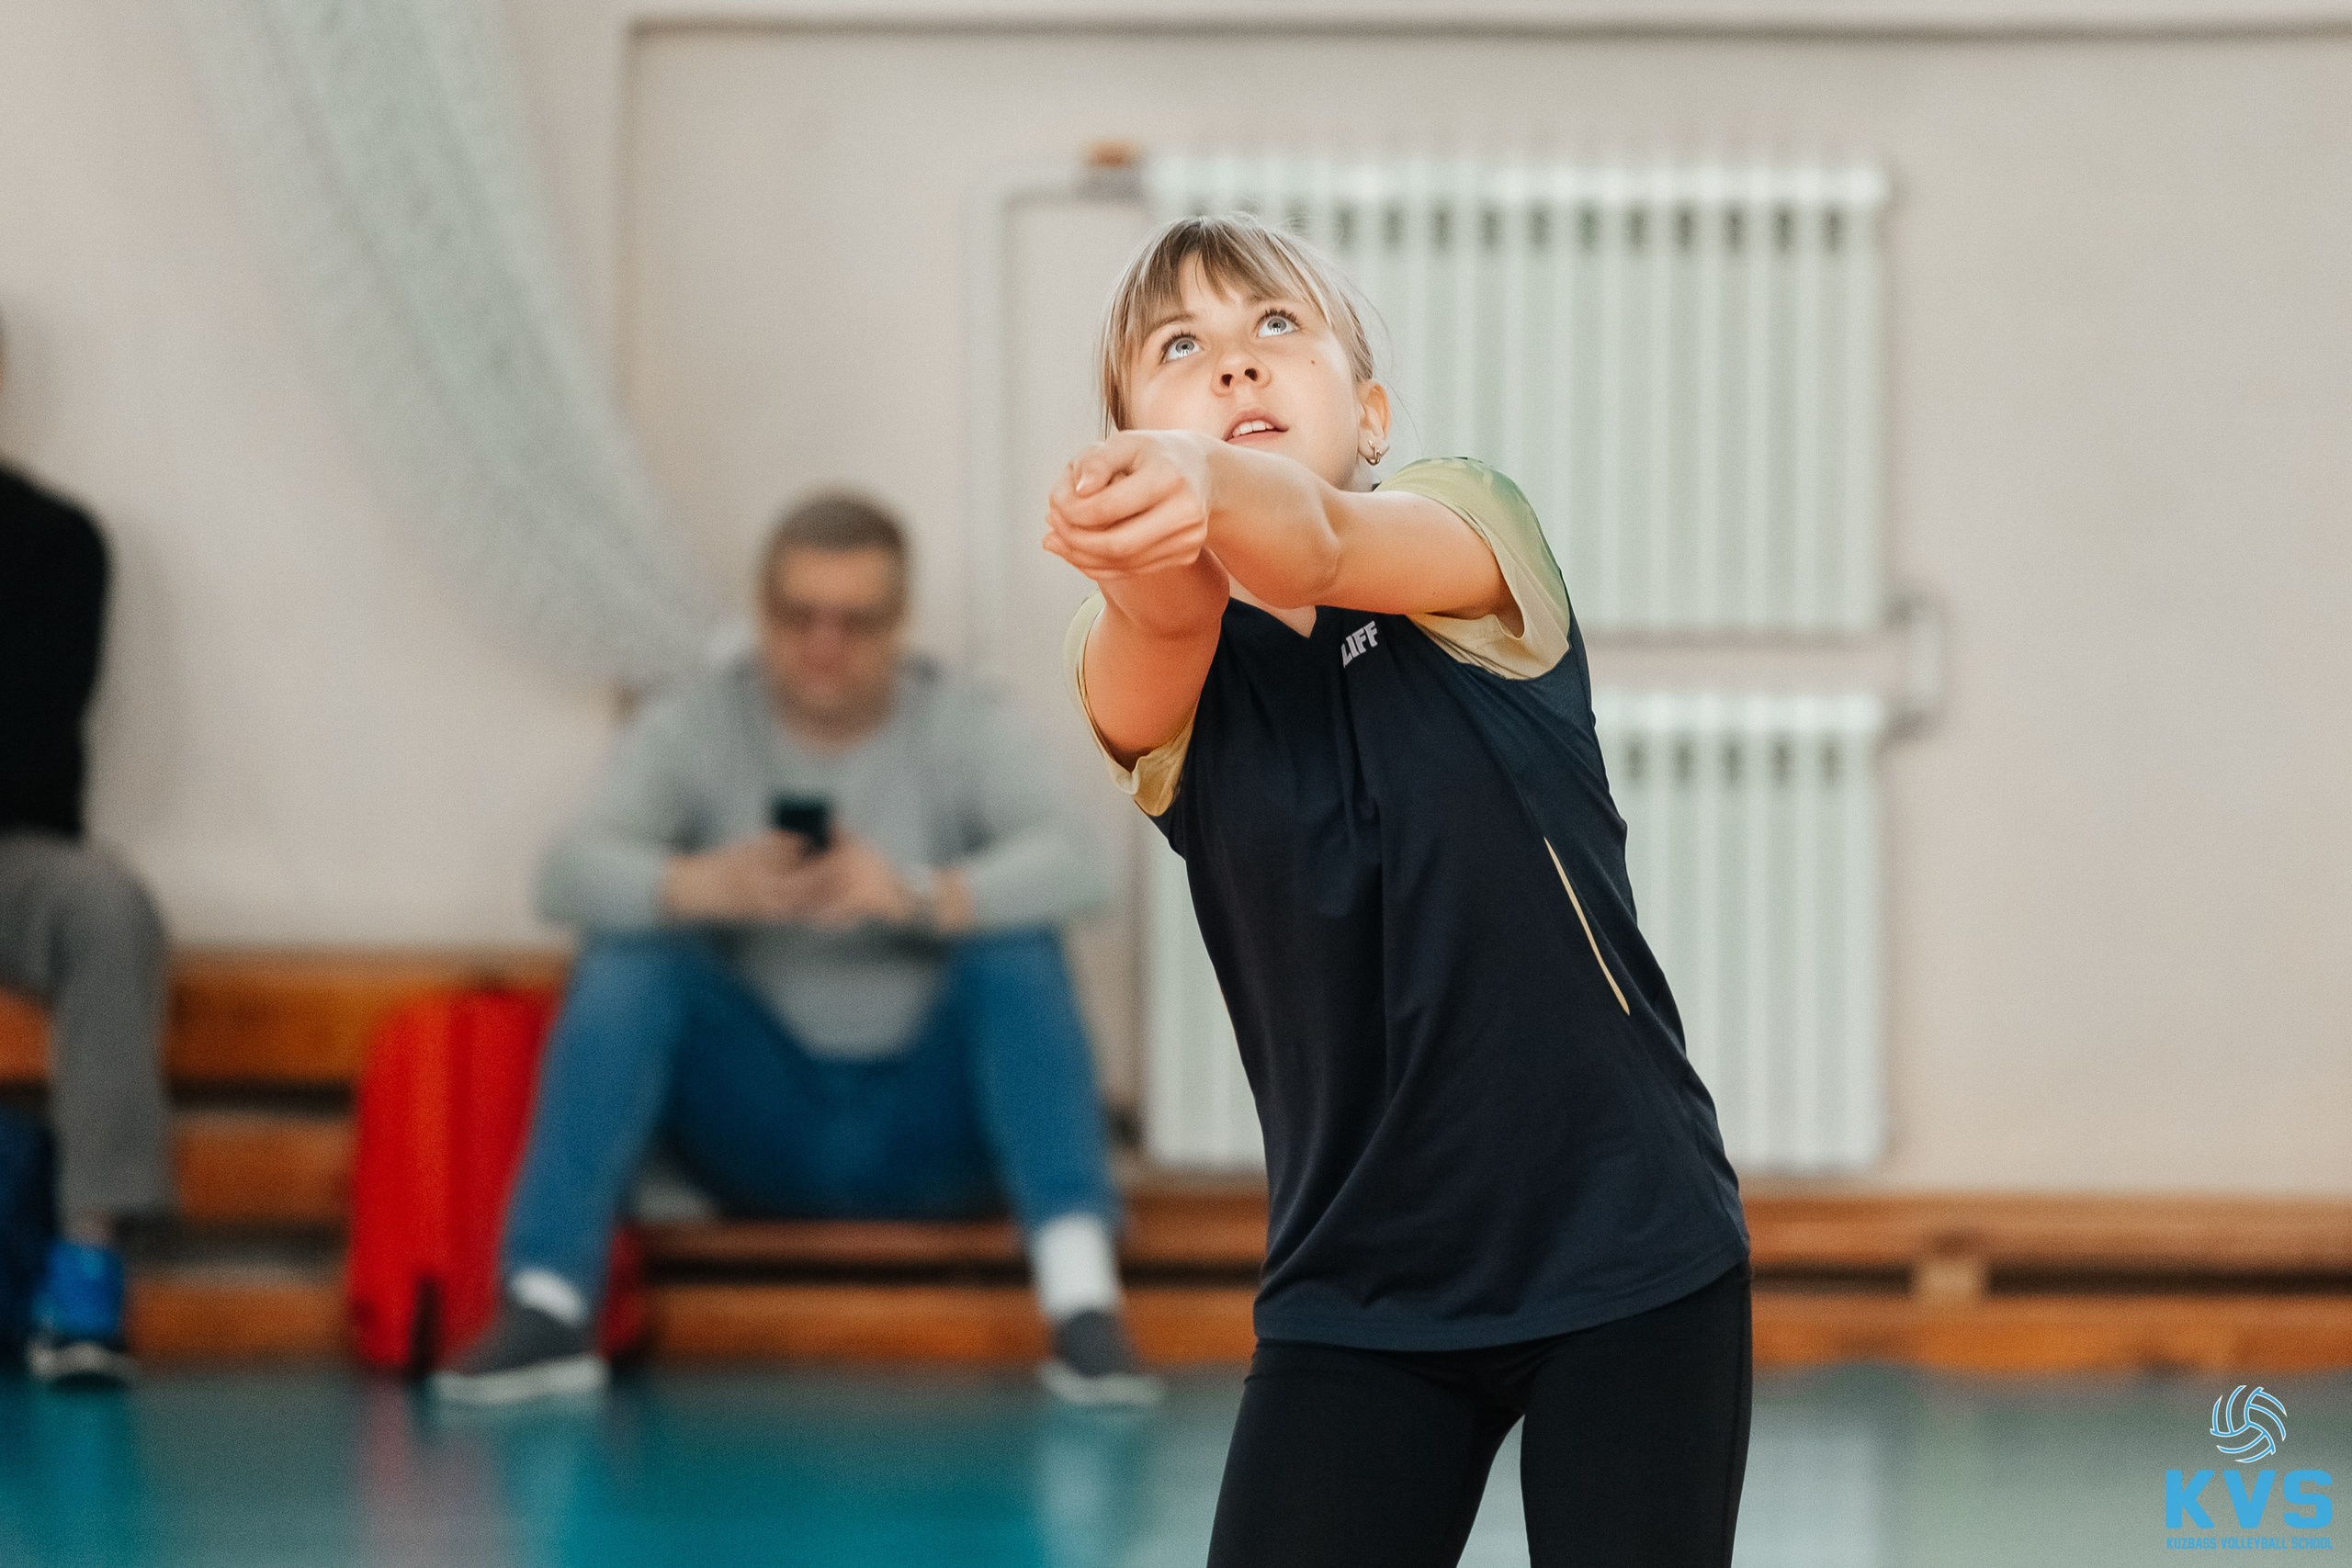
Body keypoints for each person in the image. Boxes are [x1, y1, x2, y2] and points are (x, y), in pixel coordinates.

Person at [1046, 213, 1755, 1566]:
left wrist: (1197, 469)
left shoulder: (1466, 527)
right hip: (1356, 1281)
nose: (1237, 368)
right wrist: (1137, 547)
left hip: (1629, 1246)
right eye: (1181, 347)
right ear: (1125, 424)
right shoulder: (1145, 652)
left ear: (1367, 411)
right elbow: (1159, 623)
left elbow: (1310, 543)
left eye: (1276, 333)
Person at [434, 492, 1155, 1407]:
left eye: (854, 622)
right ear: (760, 614)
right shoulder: (698, 721)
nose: (824, 644)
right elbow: (564, 874)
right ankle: (546, 1303)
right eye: (798, 616)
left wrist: (922, 896)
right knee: (633, 950)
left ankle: (1082, 1299)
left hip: (926, 1129)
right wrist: (696, 885)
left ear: (898, 626)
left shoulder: (961, 720)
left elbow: (1082, 865)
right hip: (757, 1127)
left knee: (1014, 944)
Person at [0, 312, 175, 1386]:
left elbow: (30, 738)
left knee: (109, 908)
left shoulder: (56, 543)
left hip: (12, 855)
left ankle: (86, 1263)